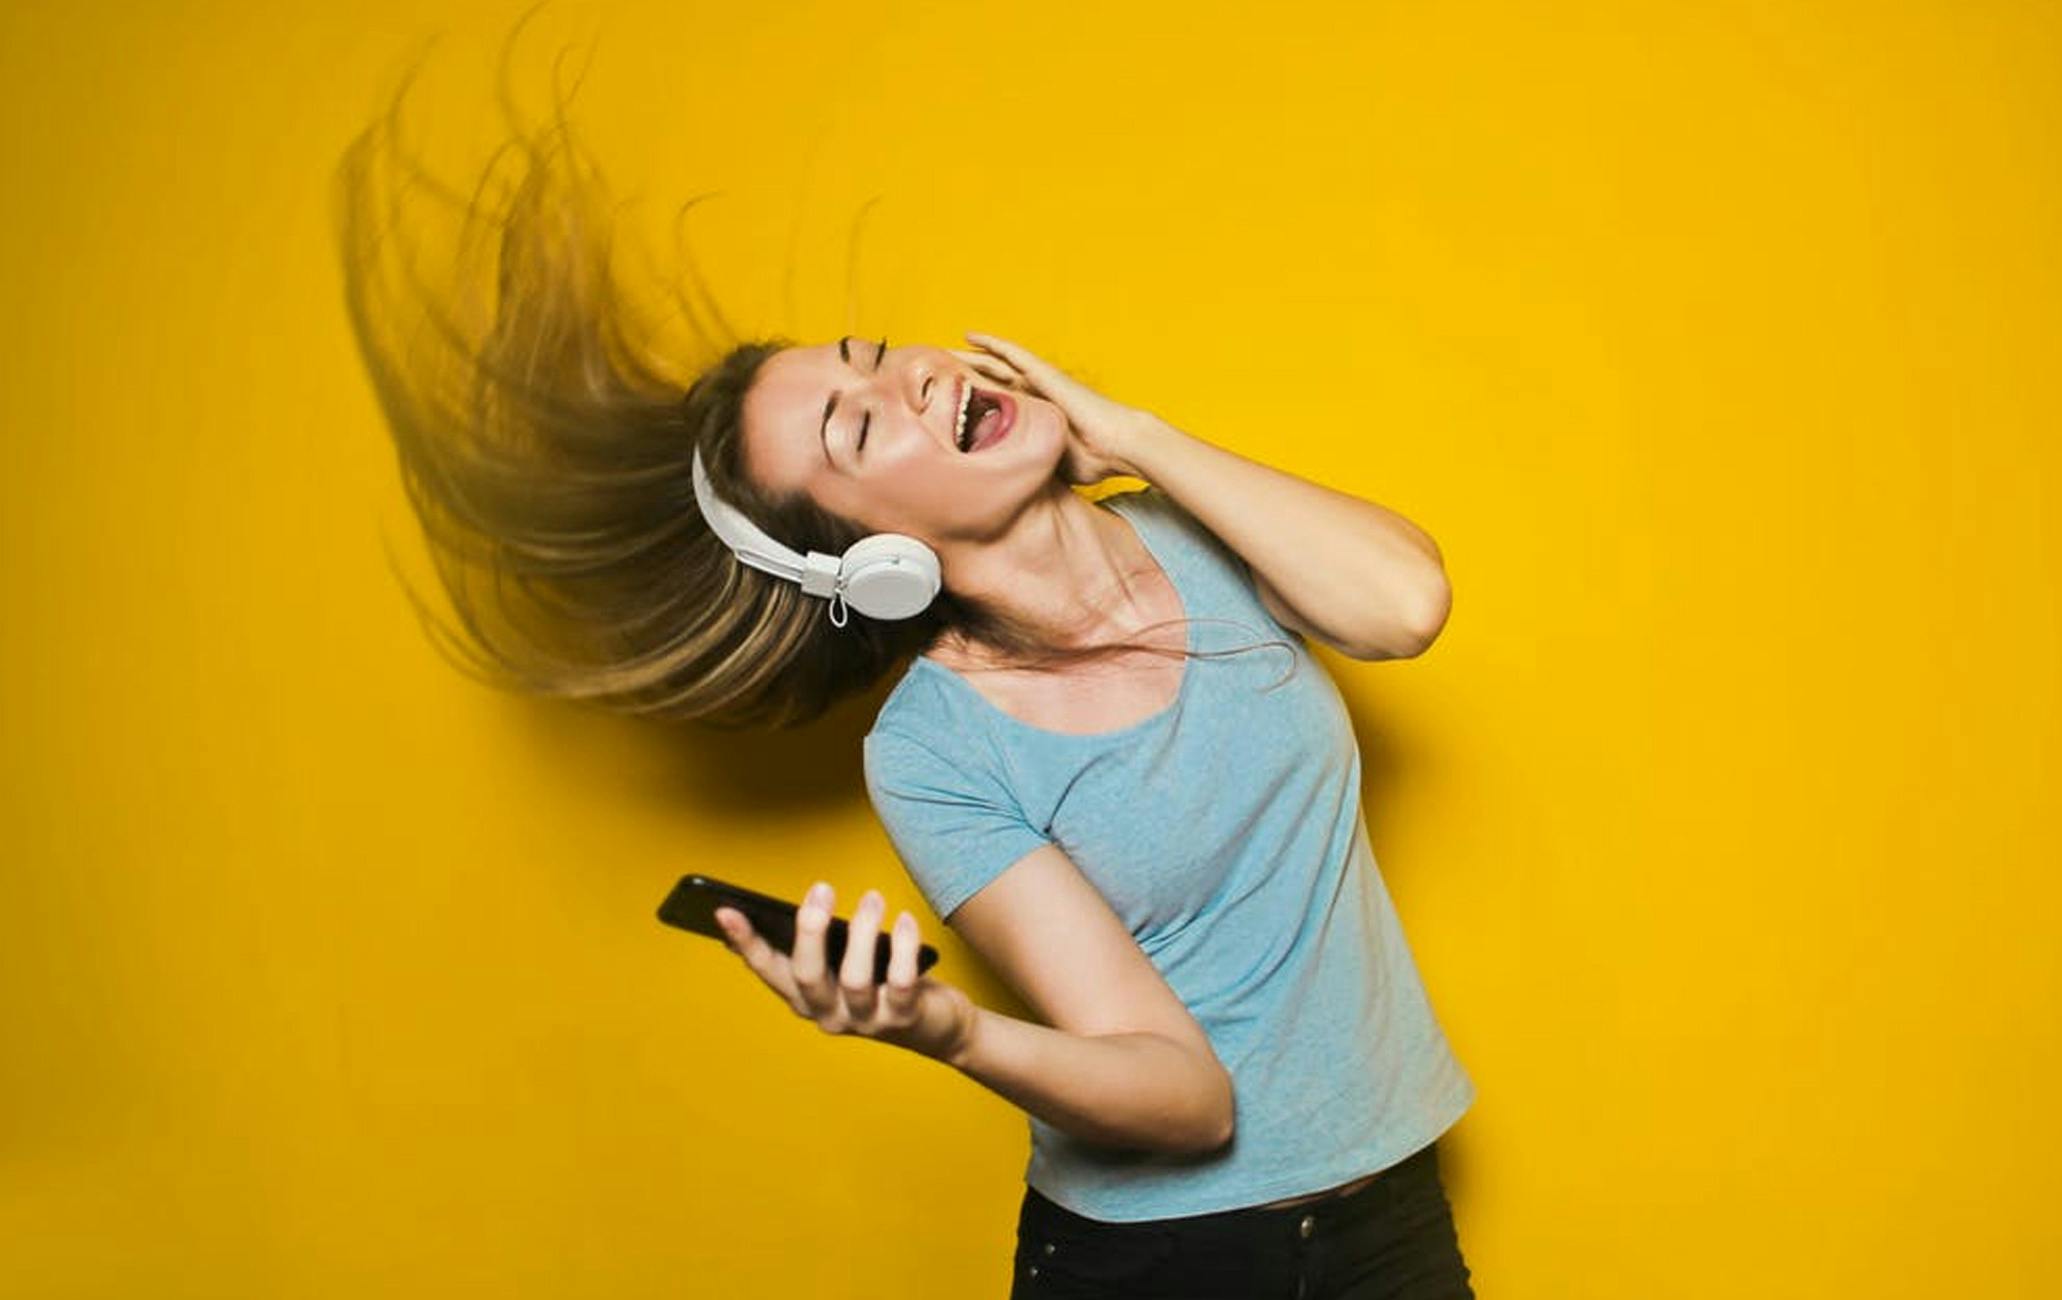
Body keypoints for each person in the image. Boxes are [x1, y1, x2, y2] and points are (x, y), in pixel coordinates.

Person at [336, 56, 1477, 1300]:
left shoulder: (1201, 528)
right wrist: (949, 1030)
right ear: (874, 563)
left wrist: (1133, 434)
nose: (912, 378)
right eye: (861, 427)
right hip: (1164, 1263)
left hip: (1390, 1219)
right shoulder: (934, 749)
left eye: (874, 356)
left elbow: (1403, 606)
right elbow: (1189, 1101)